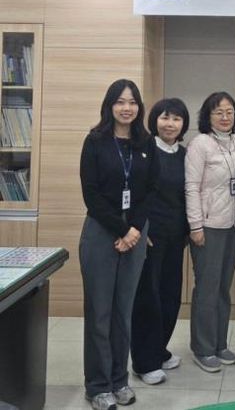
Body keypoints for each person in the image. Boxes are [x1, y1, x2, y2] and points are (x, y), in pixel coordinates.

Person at [79, 79, 156, 410]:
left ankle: (119, 380)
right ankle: (97, 386)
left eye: (133, 102)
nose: (127, 108)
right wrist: (123, 230)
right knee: (100, 312)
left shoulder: (146, 142)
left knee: (123, 311)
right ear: (110, 105)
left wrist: (135, 229)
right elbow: (91, 194)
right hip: (102, 230)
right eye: (120, 102)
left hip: (135, 231)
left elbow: (150, 189)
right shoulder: (95, 140)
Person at [130, 98, 190, 385]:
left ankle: (159, 349)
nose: (170, 124)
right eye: (165, 118)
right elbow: (135, 193)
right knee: (148, 299)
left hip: (176, 236)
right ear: (154, 120)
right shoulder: (144, 150)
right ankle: (144, 362)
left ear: (183, 124)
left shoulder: (185, 154)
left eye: (176, 119)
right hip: (149, 236)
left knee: (170, 296)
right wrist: (140, 230)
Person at [185, 91, 235, 373]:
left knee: (223, 288)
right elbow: (191, 187)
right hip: (208, 227)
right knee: (207, 289)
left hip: (233, 225)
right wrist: (195, 226)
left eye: (229, 112)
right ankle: (203, 348)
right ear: (207, 116)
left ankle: (220, 343)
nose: (225, 117)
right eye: (218, 112)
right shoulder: (200, 144)